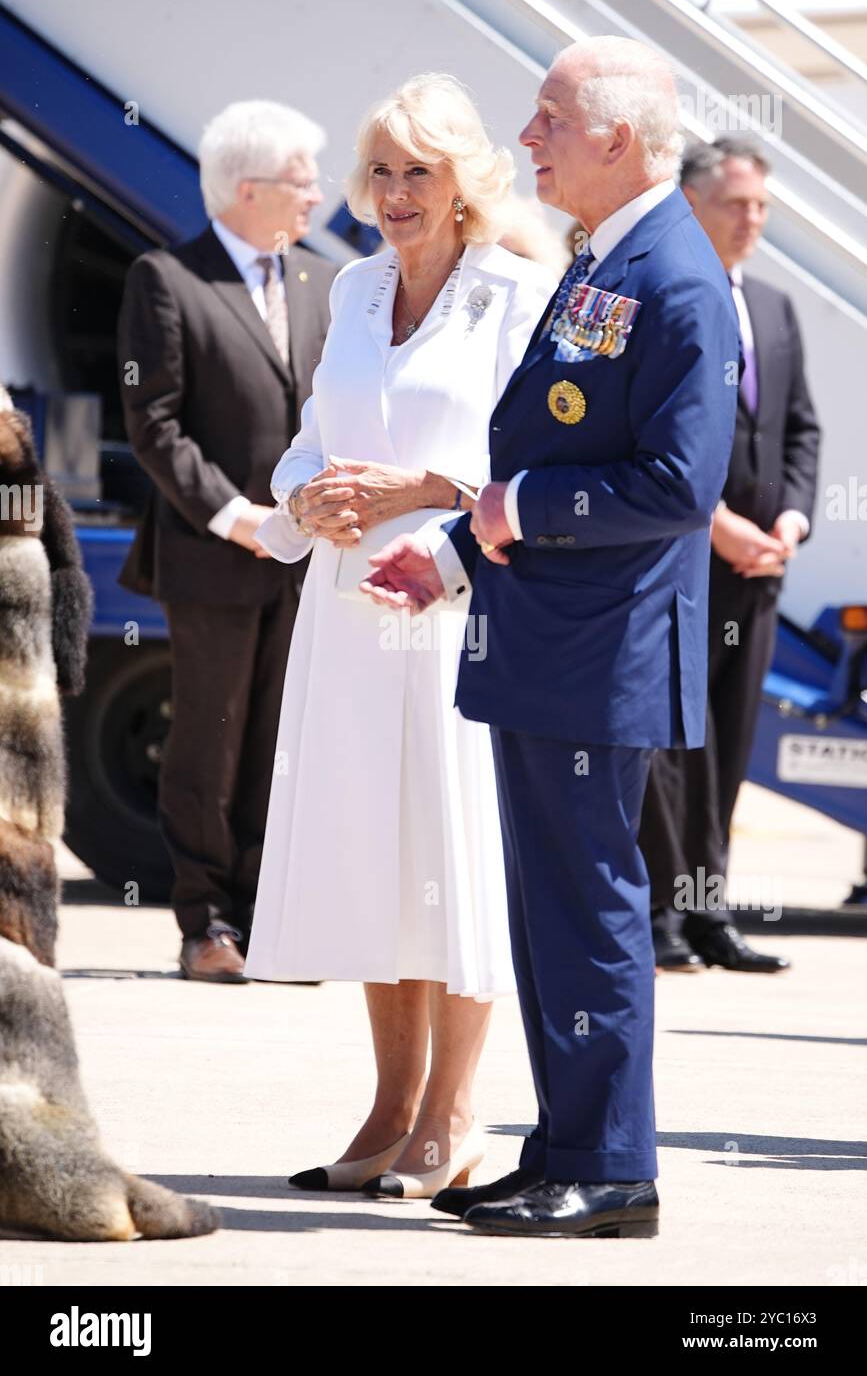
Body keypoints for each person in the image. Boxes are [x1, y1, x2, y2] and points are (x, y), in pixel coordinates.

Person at [362, 37, 740, 1237]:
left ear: (617, 138)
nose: (528, 140)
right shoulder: (603, 261)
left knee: (590, 908)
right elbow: (549, 451)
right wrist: (456, 557)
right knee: (550, 912)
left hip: (602, 655)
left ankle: (615, 1166)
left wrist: (510, 514)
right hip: (550, 643)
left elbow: (678, 485)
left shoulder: (675, 276)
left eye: (547, 119)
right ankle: (567, 1142)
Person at [244, 73, 554, 1199]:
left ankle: (456, 1113)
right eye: (378, 169)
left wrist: (421, 486)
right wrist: (306, 500)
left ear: (465, 183)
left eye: (417, 169)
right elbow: (309, 440)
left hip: (456, 607)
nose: (392, 191)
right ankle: (389, 1106)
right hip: (346, 614)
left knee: (454, 852)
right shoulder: (355, 290)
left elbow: (539, 466)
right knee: (379, 854)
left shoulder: (518, 295)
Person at [117, 101, 336, 983]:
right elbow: (155, 424)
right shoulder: (166, 278)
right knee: (210, 742)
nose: (318, 195)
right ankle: (206, 923)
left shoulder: (328, 280)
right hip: (215, 556)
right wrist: (236, 517)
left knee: (285, 743)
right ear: (248, 190)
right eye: (302, 180)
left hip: (307, 555)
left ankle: (269, 920)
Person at [639, 136, 820, 974]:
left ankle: (710, 914)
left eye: (760, 207)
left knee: (731, 743)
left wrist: (789, 521)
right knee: (675, 745)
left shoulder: (775, 307)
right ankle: (664, 917)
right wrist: (713, 524)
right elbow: (646, 432)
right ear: (691, 204)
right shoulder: (664, 296)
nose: (752, 221)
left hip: (756, 569)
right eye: (736, 205)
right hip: (680, 557)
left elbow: (799, 430)